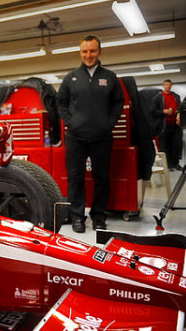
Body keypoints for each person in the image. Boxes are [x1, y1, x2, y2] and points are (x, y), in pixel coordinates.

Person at [56, 35, 124, 233]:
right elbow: (60, 102)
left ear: (99, 51)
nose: (88, 55)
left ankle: (98, 216)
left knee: (101, 178)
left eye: (92, 51)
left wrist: (108, 123)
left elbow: (118, 102)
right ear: (80, 53)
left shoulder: (110, 77)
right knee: (75, 178)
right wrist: (71, 123)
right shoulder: (71, 78)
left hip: (102, 137)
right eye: (85, 51)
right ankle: (77, 217)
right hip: (75, 138)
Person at [152, 79, 183, 171]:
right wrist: (163, 111)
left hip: (176, 125)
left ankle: (175, 163)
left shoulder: (176, 97)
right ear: (163, 86)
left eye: (169, 85)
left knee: (177, 144)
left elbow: (180, 108)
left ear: (171, 85)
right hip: (164, 126)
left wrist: (179, 114)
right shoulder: (158, 97)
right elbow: (152, 111)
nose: (168, 86)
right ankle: (168, 165)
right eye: (166, 84)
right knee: (165, 146)